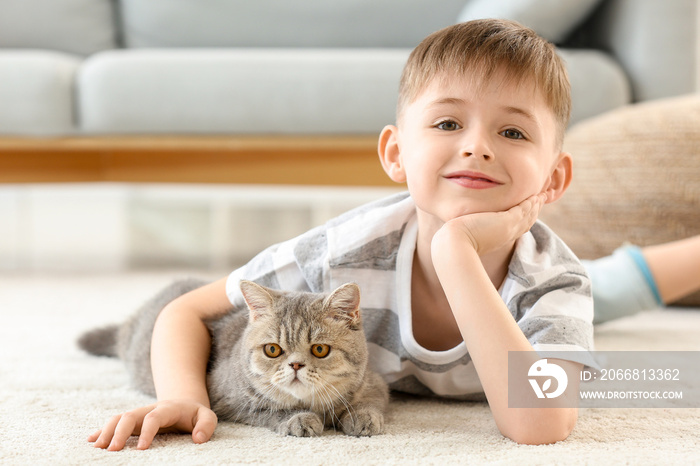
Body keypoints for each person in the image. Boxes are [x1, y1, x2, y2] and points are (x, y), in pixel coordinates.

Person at [87, 19, 700, 450]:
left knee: (608, 289)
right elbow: (185, 310)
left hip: (524, 282)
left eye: (513, 134)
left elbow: (540, 425)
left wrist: (456, 254)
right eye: (448, 121)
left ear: (555, 176)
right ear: (395, 153)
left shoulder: (555, 281)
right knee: (606, 288)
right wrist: (183, 395)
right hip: (406, 276)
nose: (476, 146)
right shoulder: (345, 252)